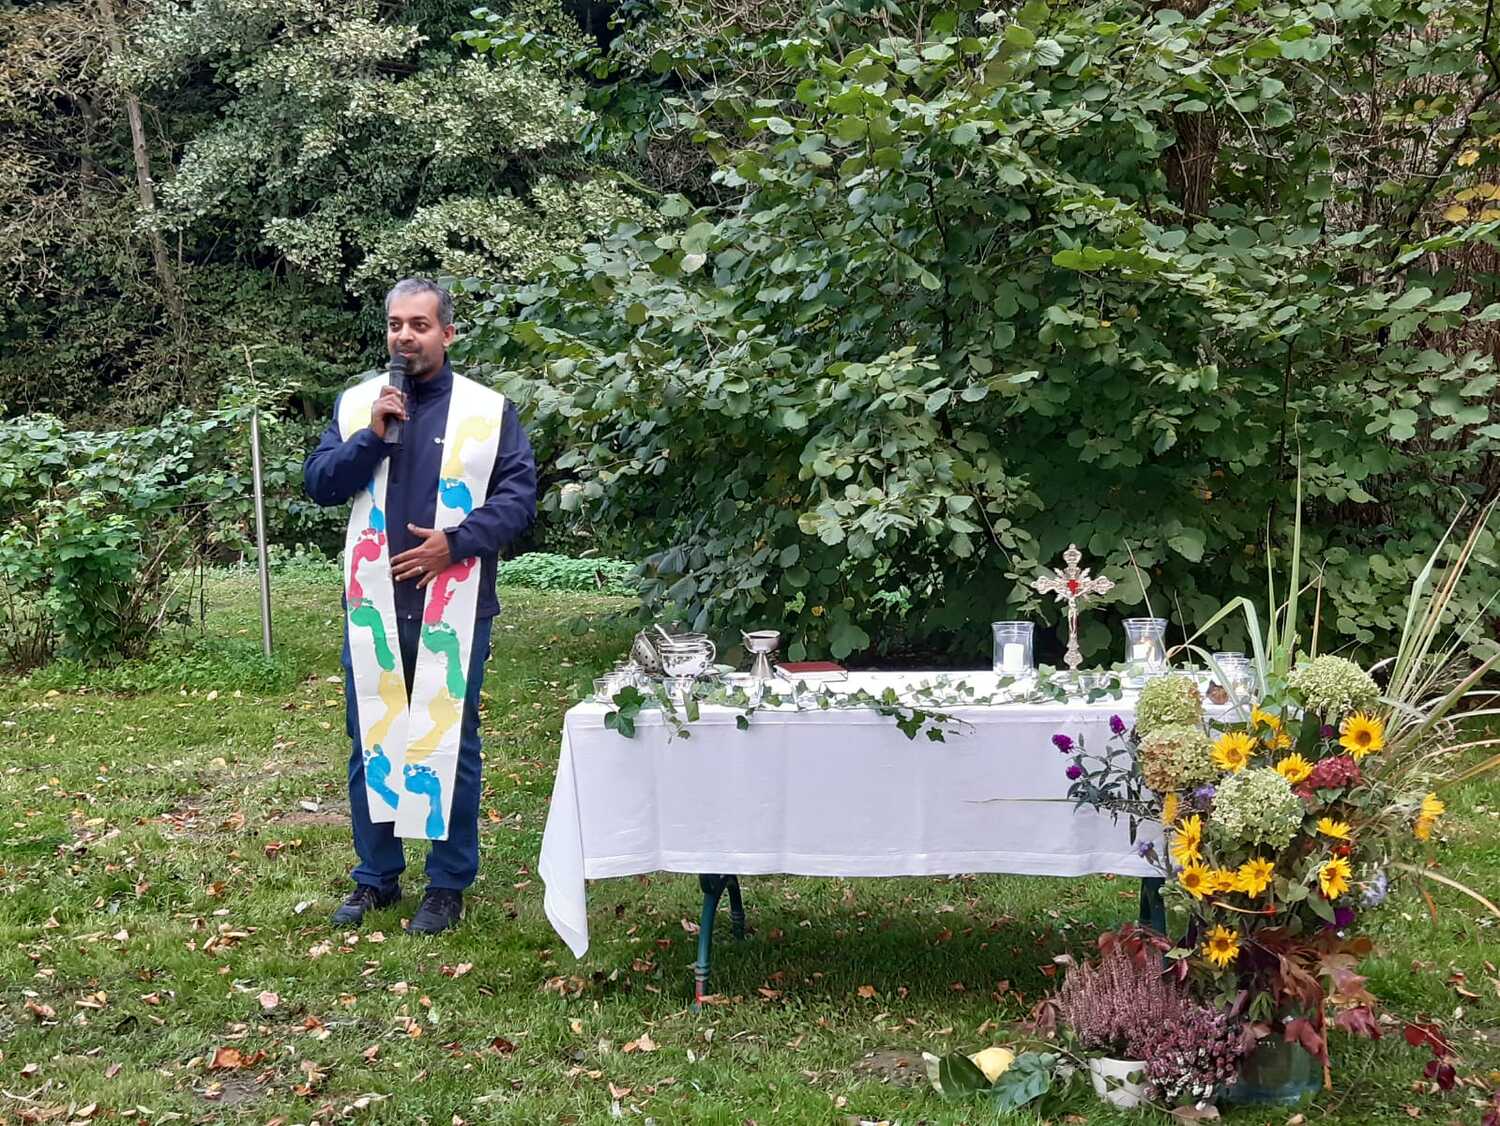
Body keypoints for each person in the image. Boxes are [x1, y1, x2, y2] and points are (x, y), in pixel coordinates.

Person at [303, 277, 536, 935]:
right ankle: (376, 877)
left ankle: (446, 884)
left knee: (448, 739)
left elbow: (518, 499)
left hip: (454, 602)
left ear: (447, 333)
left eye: (420, 325)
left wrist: (454, 544)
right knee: (373, 739)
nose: (405, 336)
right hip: (374, 606)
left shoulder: (488, 411)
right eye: (396, 324)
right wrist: (370, 438)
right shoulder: (359, 405)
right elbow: (320, 483)